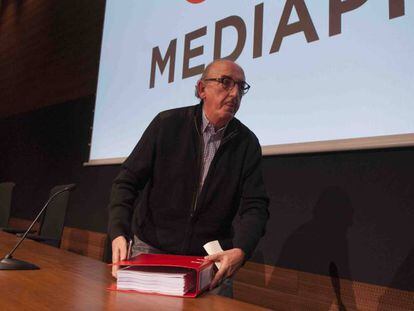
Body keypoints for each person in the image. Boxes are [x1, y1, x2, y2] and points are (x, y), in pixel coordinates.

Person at [108, 59, 269, 291]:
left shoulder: (247, 143)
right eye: (225, 83)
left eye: (241, 87)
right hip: (152, 247)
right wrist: (118, 232)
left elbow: (256, 205)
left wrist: (241, 250)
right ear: (202, 89)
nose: (234, 94)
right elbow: (127, 181)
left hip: (209, 259)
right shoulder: (167, 124)